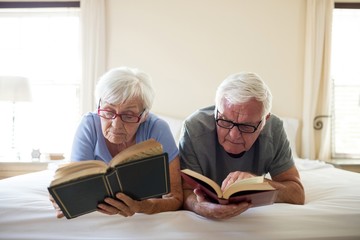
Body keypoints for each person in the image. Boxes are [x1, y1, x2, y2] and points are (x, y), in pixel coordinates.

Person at [50, 66, 183, 218]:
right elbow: (76, 184)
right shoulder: (89, 125)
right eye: (108, 111)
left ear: (144, 115)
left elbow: (175, 198)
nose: (116, 125)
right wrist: (64, 197)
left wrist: (142, 206)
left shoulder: (157, 129)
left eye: (129, 115)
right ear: (98, 106)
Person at [179, 72, 305, 220]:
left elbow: (297, 194)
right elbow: (185, 191)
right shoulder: (193, 128)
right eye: (224, 121)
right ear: (216, 111)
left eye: (246, 126)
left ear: (265, 120)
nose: (233, 135)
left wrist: (258, 183)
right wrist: (200, 207)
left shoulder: (274, 129)